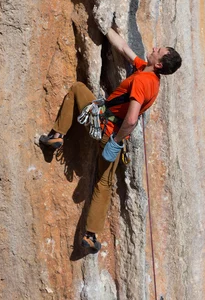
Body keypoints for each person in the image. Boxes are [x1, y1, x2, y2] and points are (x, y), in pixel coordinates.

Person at [40, 27, 182, 252]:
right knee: (104, 183)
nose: (154, 48)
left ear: (159, 64)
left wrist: (115, 141)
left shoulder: (143, 82)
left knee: (77, 89)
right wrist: (106, 26)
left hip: (106, 127)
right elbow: (124, 47)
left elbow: (133, 118)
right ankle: (90, 235)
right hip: (112, 135)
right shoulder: (147, 75)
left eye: (158, 50)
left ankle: (56, 136)